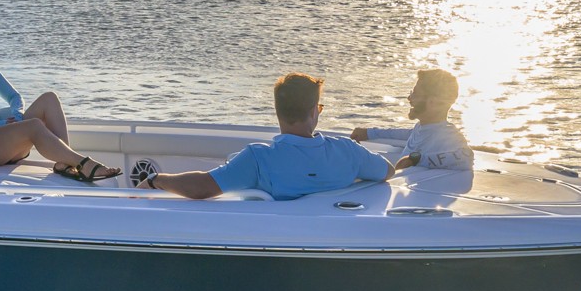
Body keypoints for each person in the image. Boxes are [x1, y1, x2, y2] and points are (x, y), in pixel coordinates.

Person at [132, 72, 393, 200]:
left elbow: (203, 187)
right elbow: (387, 171)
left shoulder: (258, 159)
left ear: (278, 111)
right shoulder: (348, 151)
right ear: (314, 111)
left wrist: (157, 179)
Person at [0, 15, 117, 184]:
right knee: (34, 125)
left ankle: (64, 163)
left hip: (2, 138)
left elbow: (14, 96)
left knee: (49, 99)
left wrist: (17, 113)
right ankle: (84, 164)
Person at [394, 68, 474, 171]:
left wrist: (415, 160)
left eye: (415, 94)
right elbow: (406, 133)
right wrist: (373, 132)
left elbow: (467, 157)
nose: (409, 98)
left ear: (432, 102)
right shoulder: (420, 127)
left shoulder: (447, 134)